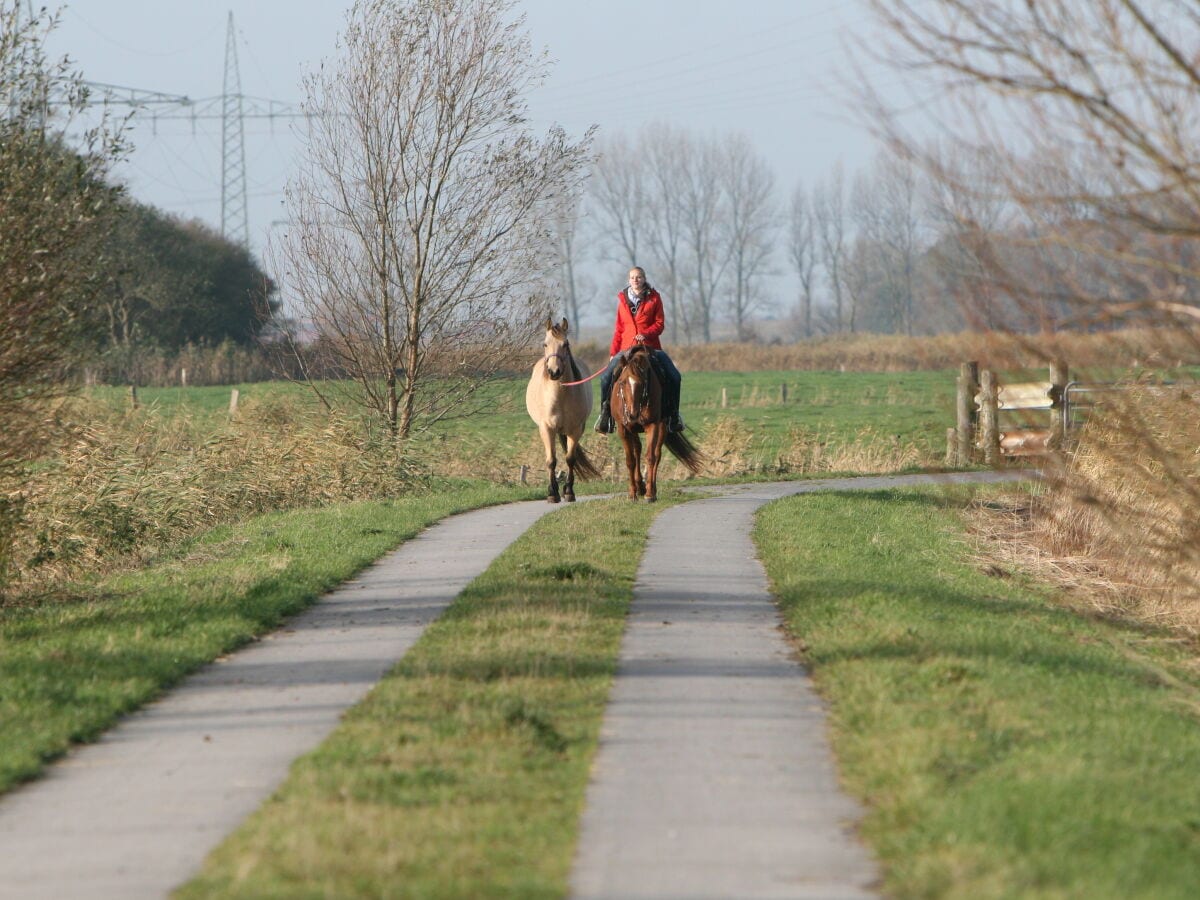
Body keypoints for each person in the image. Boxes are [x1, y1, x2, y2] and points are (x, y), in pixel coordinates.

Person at [594, 267, 684, 434]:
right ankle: (605, 416)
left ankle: (674, 416)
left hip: (651, 347)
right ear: (629, 280)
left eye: (639, 277)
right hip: (626, 348)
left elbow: (659, 324)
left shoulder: (654, 299)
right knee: (605, 377)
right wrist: (614, 352)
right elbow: (619, 329)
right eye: (632, 277)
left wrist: (645, 334)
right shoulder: (622, 301)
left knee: (675, 376)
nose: (635, 280)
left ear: (644, 279)